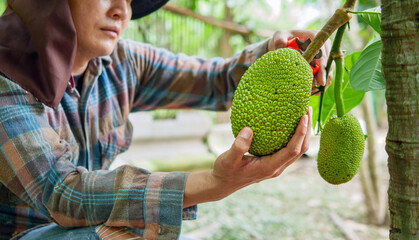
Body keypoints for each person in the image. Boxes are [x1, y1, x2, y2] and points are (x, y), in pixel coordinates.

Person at [0, 0, 332, 239]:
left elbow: (214, 80)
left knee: (136, 226)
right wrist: (214, 183)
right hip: (25, 233)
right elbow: (62, 193)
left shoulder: (121, 63)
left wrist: (275, 52)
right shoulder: (6, 75)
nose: (122, 10)